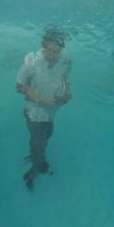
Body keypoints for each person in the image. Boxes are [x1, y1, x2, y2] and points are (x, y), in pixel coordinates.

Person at [16, 28, 71, 189]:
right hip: (33, 112)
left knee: (47, 135)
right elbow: (19, 87)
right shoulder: (31, 63)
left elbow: (64, 81)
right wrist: (40, 99)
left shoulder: (65, 60)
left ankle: (35, 155)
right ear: (43, 47)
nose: (53, 56)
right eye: (49, 51)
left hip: (51, 111)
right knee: (38, 140)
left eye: (57, 52)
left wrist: (66, 94)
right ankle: (38, 165)